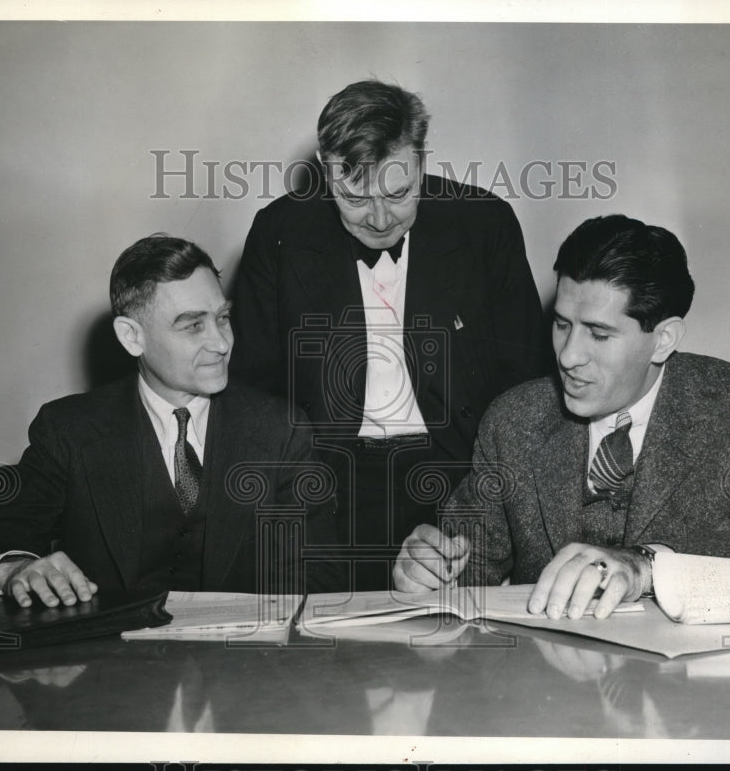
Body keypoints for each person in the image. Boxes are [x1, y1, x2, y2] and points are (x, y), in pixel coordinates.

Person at [393, 214, 730, 618]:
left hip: (684, 689)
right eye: (562, 325)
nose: (569, 355)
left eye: (599, 334)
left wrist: (647, 567)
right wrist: (428, 575)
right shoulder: (514, 419)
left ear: (662, 339)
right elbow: (466, 570)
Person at [231, 79, 546, 590]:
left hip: (458, 473)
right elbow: (255, 386)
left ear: (422, 161)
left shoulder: (484, 224)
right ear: (325, 166)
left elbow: (526, 377)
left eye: (399, 193)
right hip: (329, 478)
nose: (379, 219)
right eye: (354, 196)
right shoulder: (279, 230)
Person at [0, 234, 342, 607]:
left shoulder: (281, 428)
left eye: (222, 318)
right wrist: (17, 568)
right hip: (109, 668)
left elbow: (317, 572)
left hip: (237, 665)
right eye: (192, 325)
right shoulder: (70, 430)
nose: (222, 343)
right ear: (132, 337)